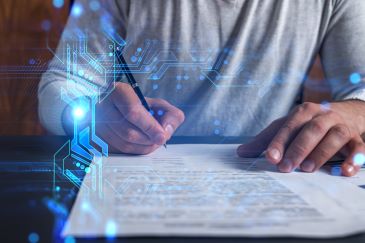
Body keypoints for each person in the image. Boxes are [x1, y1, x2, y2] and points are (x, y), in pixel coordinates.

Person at [39, 0, 365, 176]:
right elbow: (63, 83)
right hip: (142, 175)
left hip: (273, 174)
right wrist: (87, 117)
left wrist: (356, 111)